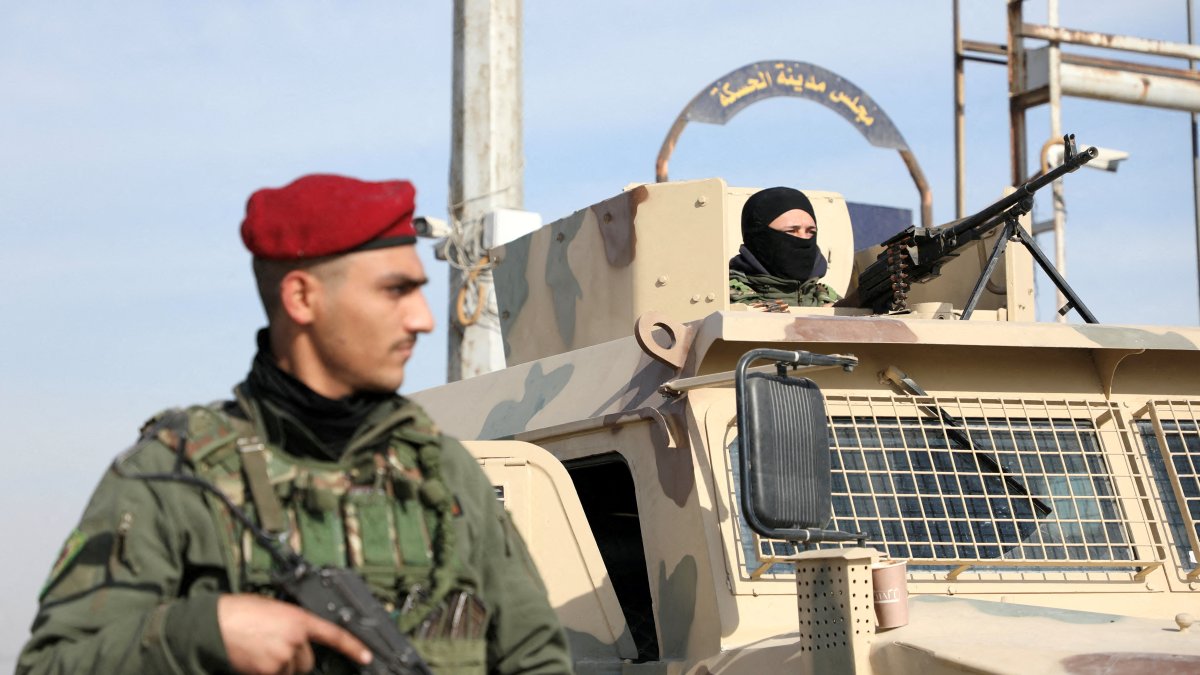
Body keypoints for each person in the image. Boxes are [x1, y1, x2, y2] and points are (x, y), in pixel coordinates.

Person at [18, 174, 573, 675]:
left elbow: (535, 660)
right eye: (394, 290)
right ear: (302, 298)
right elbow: (51, 664)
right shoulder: (171, 479)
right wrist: (202, 632)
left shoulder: (446, 477)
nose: (423, 320)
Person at [728, 186, 840, 309]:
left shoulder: (827, 297)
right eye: (792, 231)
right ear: (760, 237)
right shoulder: (725, 298)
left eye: (811, 231)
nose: (803, 238)